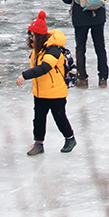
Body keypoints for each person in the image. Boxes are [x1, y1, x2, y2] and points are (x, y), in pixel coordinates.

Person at [21, 17, 76, 155]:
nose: (30, 38)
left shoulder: (53, 50)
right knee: (38, 119)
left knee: (59, 117)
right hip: (40, 91)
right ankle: (38, 143)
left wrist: (24, 75)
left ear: (39, 36)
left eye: (32, 35)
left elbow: (45, 68)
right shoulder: (37, 49)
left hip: (55, 91)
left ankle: (70, 138)